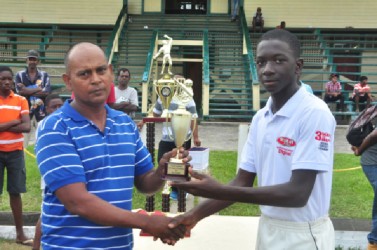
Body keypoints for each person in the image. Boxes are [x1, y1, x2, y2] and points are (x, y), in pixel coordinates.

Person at [170, 29, 336, 249]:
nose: (267, 70)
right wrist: (193, 216)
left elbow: (298, 194)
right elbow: (242, 181)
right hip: (268, 227)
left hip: (303, 234)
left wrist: (218, 190)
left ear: (298, 66)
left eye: (278, 61)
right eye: (261, 62)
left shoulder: (314, 113)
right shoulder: (261, 118)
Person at [35, 42, 188, 249]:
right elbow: (77, 202)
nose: (96, 80)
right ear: (68, 81)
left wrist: (162, 171)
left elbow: (145, 183)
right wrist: (147, 222)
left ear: (110, 73)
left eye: (100, 70)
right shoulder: (55, 128)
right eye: (84, 74)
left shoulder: (125, 124)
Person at [0, 66, 33, 246]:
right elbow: (20, 123)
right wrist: (14, 121)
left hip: (15, 153)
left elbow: (27, 127)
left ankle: (20, 235)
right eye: (2, 79)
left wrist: (3, 125)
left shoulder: (21, 100)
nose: (6, 82)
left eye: (9, 79)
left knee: (15, 193)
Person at [32, 93, 64, 250]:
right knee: (46, 213)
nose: (58, 109)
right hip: (51, 175)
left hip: (66, 175)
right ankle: (36, 245)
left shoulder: (67, 124)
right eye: (54, 107)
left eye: (61, 106)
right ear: (46, 109)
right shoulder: (43, 125)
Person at [15, 49, 51, 148]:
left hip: (41, 112)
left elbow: (46, 92)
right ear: (26, 60)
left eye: (34, 59)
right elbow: (19, 92)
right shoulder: (19, 75)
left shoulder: (44, 75)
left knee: (43, 143)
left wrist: (26, 90)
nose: (32, 61)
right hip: (25, 113)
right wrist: (38, 88)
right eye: (30, 59)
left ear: (38, 61)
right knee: (23, 144)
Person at [352, 128, 377, 250]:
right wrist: (359, 151)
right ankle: (374, 242)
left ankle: (374, 240)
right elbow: (373, 136)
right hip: (372, 163)